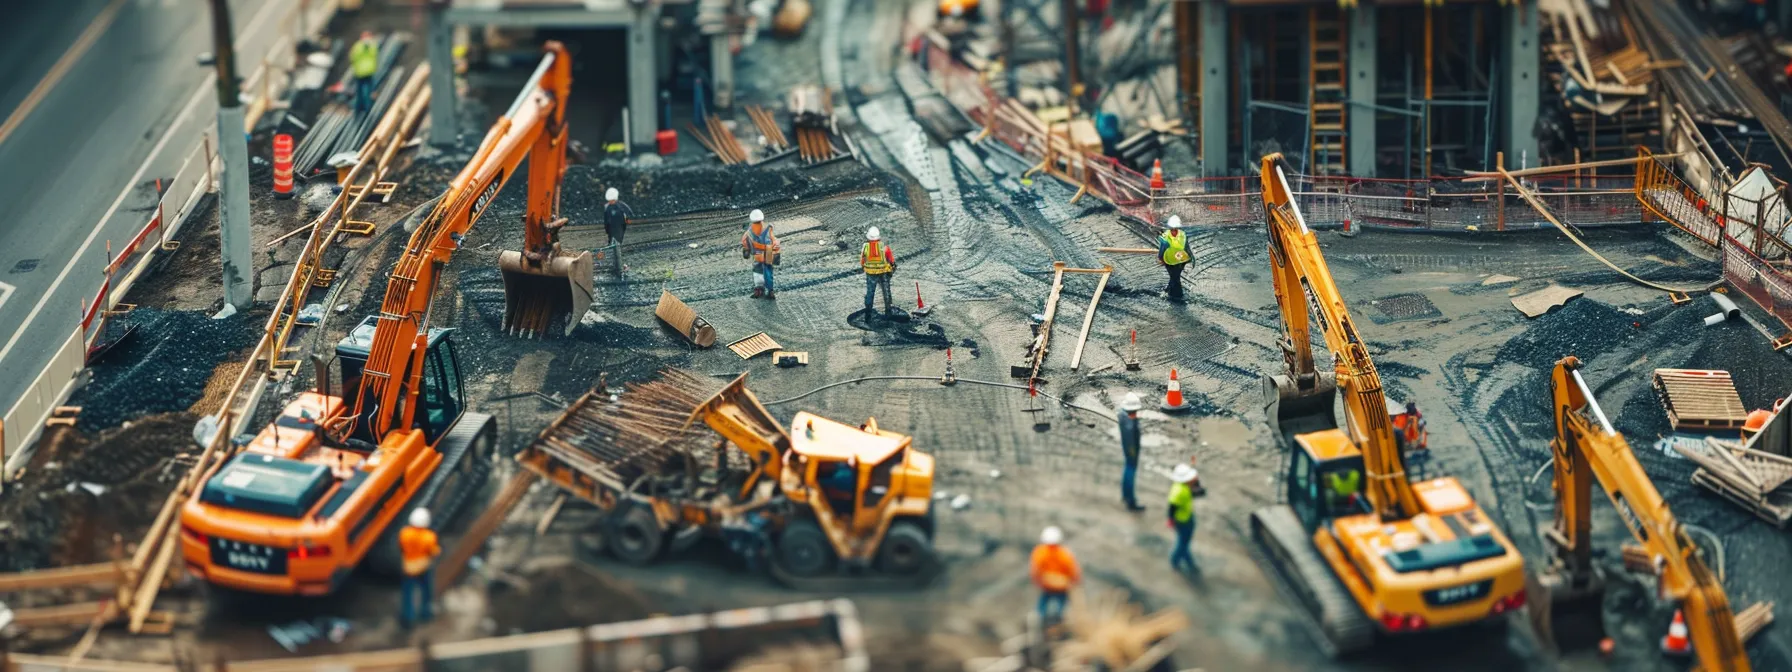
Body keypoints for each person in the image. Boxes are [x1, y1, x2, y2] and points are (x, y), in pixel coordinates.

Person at [398, 508, 441, 627]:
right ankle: (426, 614)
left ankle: (408, 618)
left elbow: (401, 548)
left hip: (408, 568)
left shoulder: (404, 533)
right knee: (426, 591)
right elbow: (433, 551)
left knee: (408, 593)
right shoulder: (429, 537)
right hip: (423, 567)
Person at [1030, 526, 1079, 624]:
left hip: (1046, 584)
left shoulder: (1040, 552)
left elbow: (1035, 569)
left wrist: (1037, 581)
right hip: (1062, 585)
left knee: (1043, 603)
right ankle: (1058, 619)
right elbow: (1073, 569)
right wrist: (1074, 581)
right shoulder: (1064, 553)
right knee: (1061, 603)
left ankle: (1040, 618)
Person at [741, 209, 780, 299]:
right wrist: (776, 250)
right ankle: (770, 291)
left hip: (758, 253)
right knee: (768, 270)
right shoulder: (768, 227)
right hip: (768, 251)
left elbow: (744, 241)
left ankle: (759, 289)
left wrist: (746, 250)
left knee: (757, 271)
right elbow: (773, 239)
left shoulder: (749, 231)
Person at [1167, 464, 1198, 574]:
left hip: (1186, 517)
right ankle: (1176, 560)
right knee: (1183, 542)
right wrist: (1170, 520)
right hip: (1183, 521)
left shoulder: (1181, 486)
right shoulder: (1180, 492)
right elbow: (1172, 507)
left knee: (1184, 541)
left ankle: (1187, 560)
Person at [1117, 393, 1145, 511]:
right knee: (1130, 470)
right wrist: (1133, 452)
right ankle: (1130, 501)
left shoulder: (1122, 414)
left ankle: (1125, 495)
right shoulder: (1129, 421)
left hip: (1127, 447)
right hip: (1131, 448)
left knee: (1128, 468)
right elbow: (1130, 438)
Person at [861, 226, 896, 319]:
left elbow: (862, 261)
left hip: (870, 274)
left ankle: (868, 312)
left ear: (868, 238)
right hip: (884, 273)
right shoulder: (884, 248)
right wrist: (892, 267)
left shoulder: (865, 247)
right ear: (879, 237)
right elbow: (891, 260)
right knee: (886, 291)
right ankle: (888, 311)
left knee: (870, 292)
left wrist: (865, 268)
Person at [1156, 215, 1191, 303]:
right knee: (1175, 277)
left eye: (1175, 229)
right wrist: (1161, 258)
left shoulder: (1181, 235)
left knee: (1175, 277)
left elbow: (1186, 247)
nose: (1174, 231)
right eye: (1172, 229)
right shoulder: (1167, 236)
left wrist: (1190, 257)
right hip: (1170, 260)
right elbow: (1162, 249)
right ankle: (1173, 294)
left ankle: (1173, 294)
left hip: (1181, 260)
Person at [602, 187, 632, 276]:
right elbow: (606, 219)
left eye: (612, 200)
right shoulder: (607, 207)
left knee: (617, 244)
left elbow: (629, 214)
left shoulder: (621, 205)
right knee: (611, 245)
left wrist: (627, 220)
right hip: (611, 229)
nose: (611, 202)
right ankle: (614, 264)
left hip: (619, 228)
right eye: (609, 200)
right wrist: (606, 229)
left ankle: (619, 265)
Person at [350, 32, 380, 116]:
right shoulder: (372, 46)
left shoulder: (357, 46)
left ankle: (359, 108)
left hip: (360, 71)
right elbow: (375, 56)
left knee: (360, 91)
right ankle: (367, 109)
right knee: (368, 91)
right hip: (369, 71)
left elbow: (352, 57)